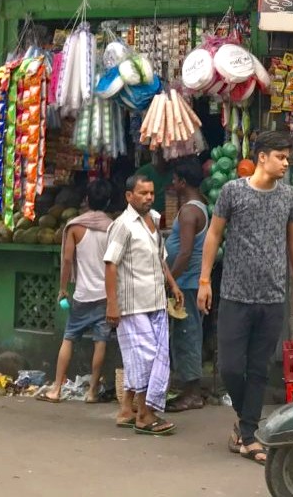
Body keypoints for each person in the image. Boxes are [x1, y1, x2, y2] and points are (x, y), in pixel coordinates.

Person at [198, 130, 293, 466]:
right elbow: (214, 233)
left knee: (258, 369)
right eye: (280, 157)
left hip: (273, 295)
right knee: (231, 367)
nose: (286, 163)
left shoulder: (289, 197)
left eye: (288, 157)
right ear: (262, 157)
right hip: (234, 293)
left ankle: (248, 435)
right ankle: (247, 425)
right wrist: (205, 280)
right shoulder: (232, 191)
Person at [105, 174, 184, 436]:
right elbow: (111, 264)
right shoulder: (123, 225)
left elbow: (160, 260)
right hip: (132, 304)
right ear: (129, 196)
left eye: (151, 192)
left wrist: (172, 285)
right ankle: (146, 415)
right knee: (147, 358)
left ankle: (127, 410)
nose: (148, 197)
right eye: (142, 193)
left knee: (145, 358)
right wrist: (112, 305)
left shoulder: (156, 220)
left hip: (156, 301)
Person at [39, 180, 114, 404]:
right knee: (100, 342)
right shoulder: (112, 227)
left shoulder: (74, 227)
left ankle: (56, 389)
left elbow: (68, 260)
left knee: (69, 338)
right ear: (109, 201)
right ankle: (92, 392)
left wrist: (63, 289)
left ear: (87, 201)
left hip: (82, 294)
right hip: (104, 295)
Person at [164, 158, 209, 412]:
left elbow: (184, 252)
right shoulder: (199, 206)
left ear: (182, 182)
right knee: (187, 333)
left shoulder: (190, 211)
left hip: (187, 283)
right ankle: (188, 389)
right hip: (188, 282)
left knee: (187, 335)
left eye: (174, 180)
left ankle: (191, 393)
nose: (172, 184)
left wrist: (170, 280)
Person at [136, 152, 172, 218]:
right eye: (164, 156)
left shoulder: (173, 172)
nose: (167, 159)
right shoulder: (144, 172)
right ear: (157, 155)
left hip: (169, 216)